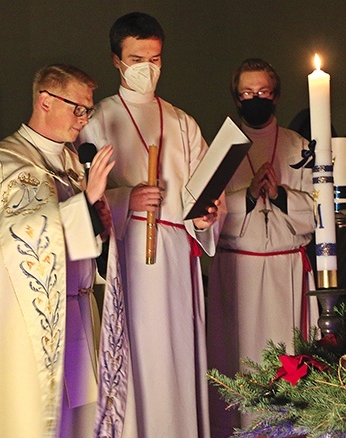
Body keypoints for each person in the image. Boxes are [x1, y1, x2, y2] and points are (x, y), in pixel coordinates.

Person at [0, 64, 130, 438]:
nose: (83, 119)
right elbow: (23, 237)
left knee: (83, 425)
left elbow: (85, 243)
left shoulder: (71, 162)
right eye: (78, 108)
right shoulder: (3, 163)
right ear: (45, 101)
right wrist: (85, 199)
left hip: (80, 314)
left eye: (87, 110)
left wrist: (98, 220)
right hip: (28, 329)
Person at [77, 12, 224, 438]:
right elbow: (79, 195)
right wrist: (127, 199)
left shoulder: (182, 122)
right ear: (116, 61)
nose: (147, 68)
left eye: (155, 59)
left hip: (176, 257)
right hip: (128, 257)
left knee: (176, 358)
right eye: (137, 58)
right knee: (139, 357)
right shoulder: (97, 119)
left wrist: (205, 215)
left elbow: (205, 191)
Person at [207, 58, 318, 436]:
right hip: (239, 270)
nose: (256, 99)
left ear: (277, 95)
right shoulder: (220, 148)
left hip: (286, 268)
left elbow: (320, 212)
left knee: (290, 363)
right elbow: (207, 214)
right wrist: (250, 196)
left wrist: (282, 195)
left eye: (264, 92)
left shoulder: (299, 146)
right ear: (237, 100)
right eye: (248, 94)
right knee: (241, 362)